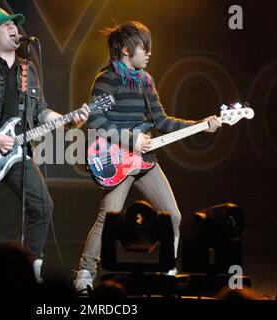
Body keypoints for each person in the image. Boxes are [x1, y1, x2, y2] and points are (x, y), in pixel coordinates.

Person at [73, 21, 221, 294]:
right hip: (116, 160)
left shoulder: (146, 81)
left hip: (145, 160)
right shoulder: (106, 79)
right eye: (145, 47)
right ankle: (84, 275)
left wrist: (201, 124)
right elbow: (94, 120)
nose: (150, 52)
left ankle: (166, 272)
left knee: (173, 217)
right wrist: (131, 140)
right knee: (107, 217)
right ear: (128, 50)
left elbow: (162, 121)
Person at [0, 7, 88, 294]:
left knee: (42, 206)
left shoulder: (28, 68)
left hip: (16, 153)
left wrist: (67, 119)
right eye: (6, 25)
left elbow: (39, 112)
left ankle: (31, 272)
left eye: (15, 24)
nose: (14, 28)